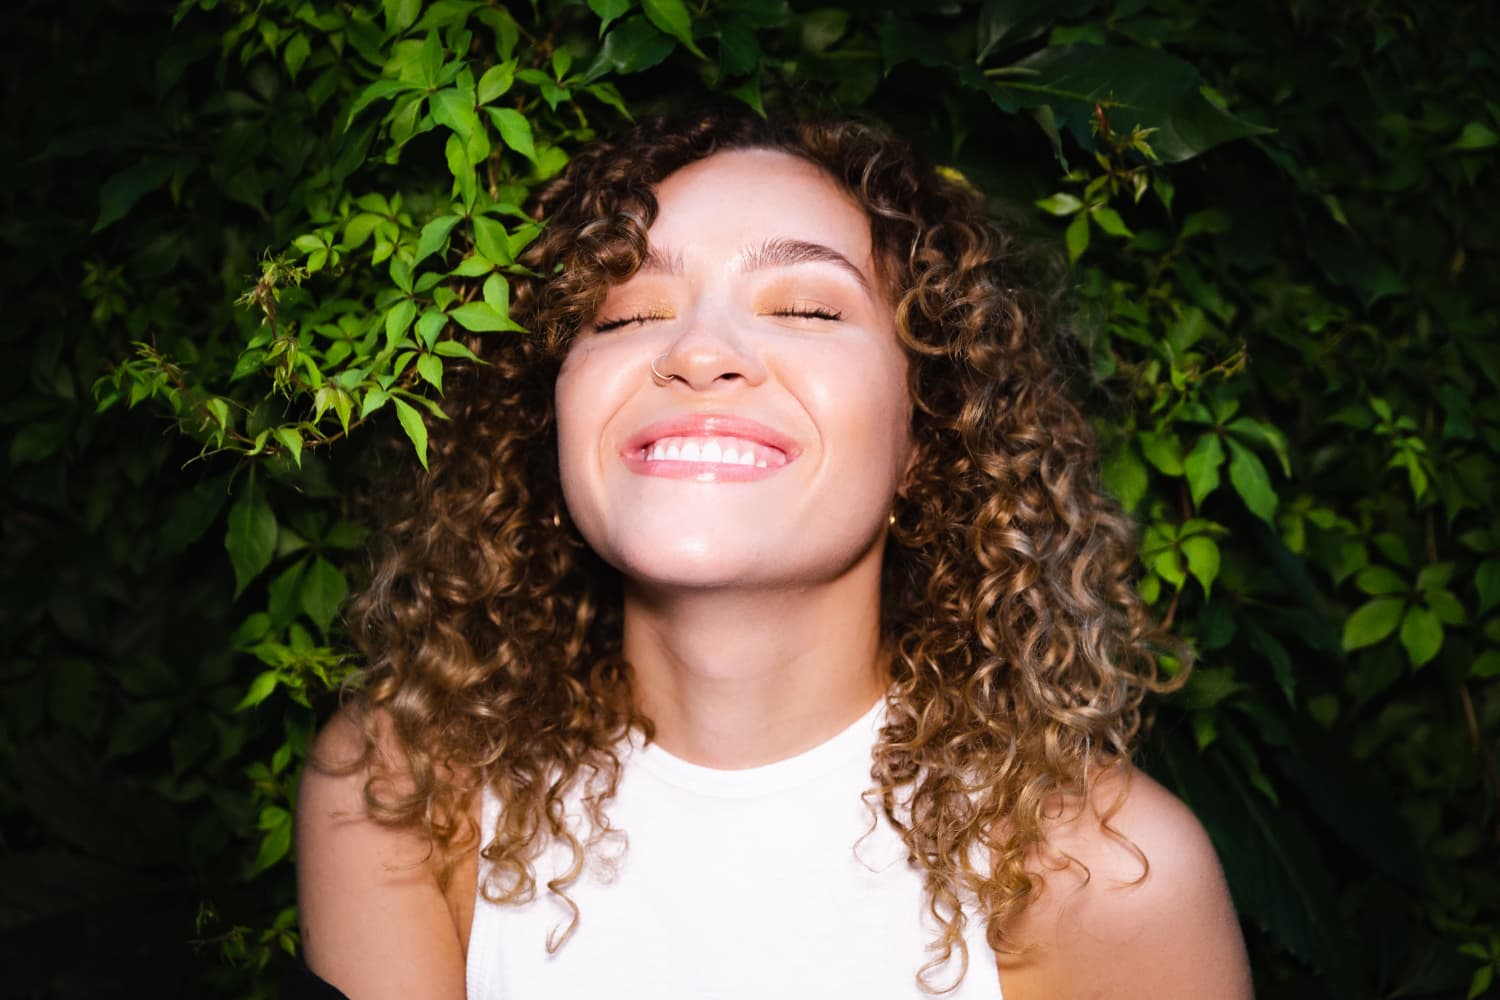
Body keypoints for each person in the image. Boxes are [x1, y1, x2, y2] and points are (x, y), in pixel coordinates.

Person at [294, 111, 1253, 999]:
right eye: (626, 315)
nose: (699, 351)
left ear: (930, 439)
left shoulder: (1106, 876)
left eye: (806, 309)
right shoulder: (403, 795)